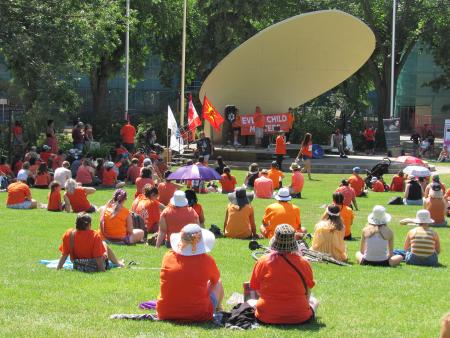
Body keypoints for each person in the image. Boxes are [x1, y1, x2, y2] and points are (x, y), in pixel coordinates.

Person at [250, 224, 317, 325]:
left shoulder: (263, 261)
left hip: (266, 316)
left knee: (251, 301)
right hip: (300, 317)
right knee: (315, 301)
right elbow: (308, 290)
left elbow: (255, 288)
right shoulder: (304, 262)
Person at [156, 224, 223, 321]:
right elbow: (215, 281)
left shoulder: (168, 257)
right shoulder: (207, 260)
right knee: (218, 282)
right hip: (199, 314)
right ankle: (218, 308)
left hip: (165, 312)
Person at [56, 213, 124, 271]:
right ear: (88, 225)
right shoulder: (94, 235)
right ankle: (118, 263)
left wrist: (58, 268)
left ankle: (118, 263)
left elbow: (64, 255)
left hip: (78, 265)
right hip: (94, 265)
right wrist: (103, 271)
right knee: (104, 243)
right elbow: (98, 258)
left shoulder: (69, 234)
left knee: (103, 244)